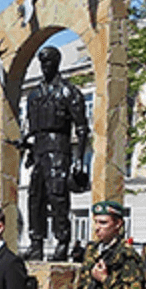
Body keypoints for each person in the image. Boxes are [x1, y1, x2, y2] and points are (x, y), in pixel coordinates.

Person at [21, 46, 89, 262]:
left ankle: (62, 242)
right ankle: (36, 243)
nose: (45, 66)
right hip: (40, 150)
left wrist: (79, 160)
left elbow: (81, 127)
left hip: (59, 149)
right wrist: (29, 149)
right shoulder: (34, 95)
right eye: (42, 62)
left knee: (58, 198)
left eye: (49, 62)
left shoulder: (69, 91)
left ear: (57, 63)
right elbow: (30, 128)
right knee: (35, 197)